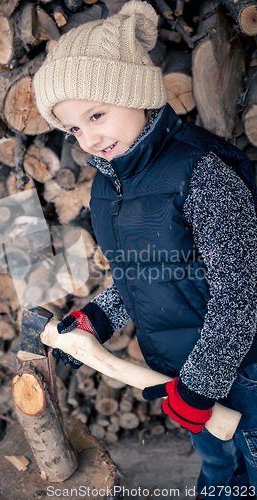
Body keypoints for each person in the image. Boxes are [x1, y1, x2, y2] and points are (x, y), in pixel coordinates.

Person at [33, 1, 257, 498]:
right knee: (220, 469)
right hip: (183, 374)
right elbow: (142, 275)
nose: (89, 138)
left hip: (241, 372)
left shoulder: (202, 174)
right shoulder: (108, 188)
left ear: (135, 93)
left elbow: (240, 293)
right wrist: (98, 318)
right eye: (73, 128)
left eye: (96, 114)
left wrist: (204, 382)